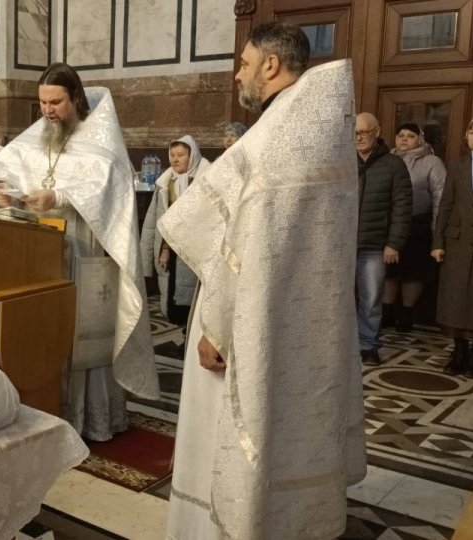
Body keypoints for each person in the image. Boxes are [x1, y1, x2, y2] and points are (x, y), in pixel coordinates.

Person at [158, 22, 366, 539]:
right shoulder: (314, 127)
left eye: (245, 63)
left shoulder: (280, 138)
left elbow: (246, 246)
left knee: (229, 428)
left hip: (248, 320)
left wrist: (216, 327)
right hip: (302, 319)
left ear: (271, 66)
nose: (237, 74)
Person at [0, 63, 158, 442]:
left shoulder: (101, 139)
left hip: (82, 250)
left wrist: (58, 196)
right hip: (38, 252)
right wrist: (3, 189)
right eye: (42, 103)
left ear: (76, 98)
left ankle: (85, 417)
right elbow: (10, 166)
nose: (47, 111)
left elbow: (107, 190)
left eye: (55, 102)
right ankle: (44, 406)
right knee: (41, 328)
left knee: (78, 333)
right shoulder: (40, 134)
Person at [354, 112, 413, 365]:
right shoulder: (343, 162)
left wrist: (393, 243)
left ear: (377, 132)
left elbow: (402, 207)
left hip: (375, 245)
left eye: (364, 132)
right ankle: (341, 346)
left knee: (371, 298)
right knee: (338, 298)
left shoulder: (393, 164)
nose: (359, 138)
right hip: (342, 245)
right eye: (355, 133)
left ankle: (368, 345)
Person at [140, 135, 210, 325]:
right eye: (172, 155)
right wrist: (155, 253)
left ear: (192, 156)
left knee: (191, 295)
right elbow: (151, 222)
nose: (175, 159)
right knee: (170, 289)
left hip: (193, 247)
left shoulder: (205, 182)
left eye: (180, 155)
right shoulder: (165, 183)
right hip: (167, 247)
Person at [384, 122, 446, 332]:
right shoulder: (387, 159)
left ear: (420, 139)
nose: (404, 139)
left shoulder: (432, 162)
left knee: (412, 271)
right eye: (400, 135)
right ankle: (386, 311)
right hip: (390, 224)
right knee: (389, 270)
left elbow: (440, 196)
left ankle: (407, 314)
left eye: (410, 136)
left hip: (418, 224)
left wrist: (437, 231)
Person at [433, 116, 473, 377]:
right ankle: (459, 350)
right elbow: (446, 205)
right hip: (457, 243)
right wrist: (438, 242)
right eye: (472, 131)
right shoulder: (457, 166)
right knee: (456, 299)